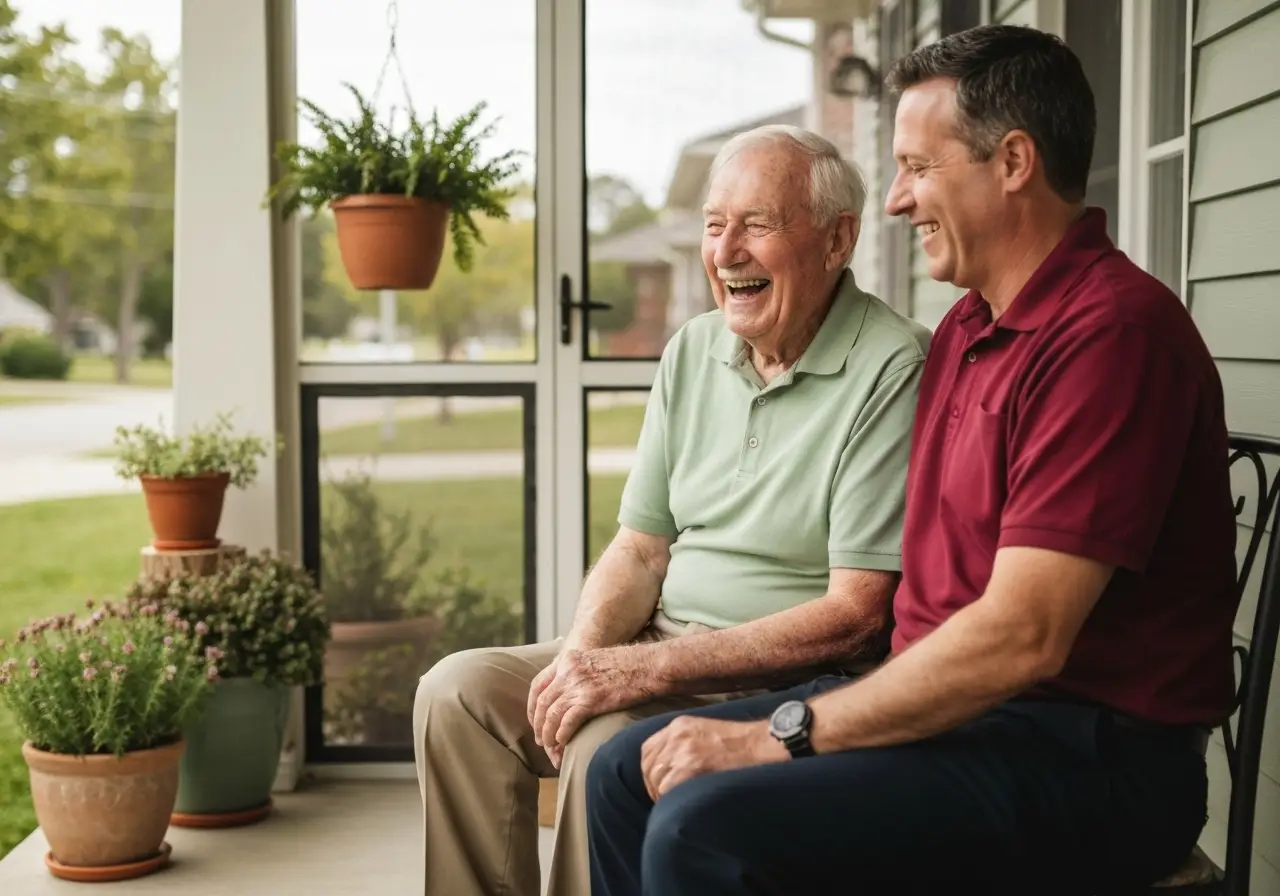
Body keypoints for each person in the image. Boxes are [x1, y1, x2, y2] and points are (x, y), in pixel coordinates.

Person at [585, 24, 1240, 896]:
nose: (896, 201)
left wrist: (777, 733)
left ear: (1012, 162)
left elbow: (1022, 637)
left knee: (703, 830)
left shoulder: (1110, 336)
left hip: (1087, 756)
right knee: (623, 774)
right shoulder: (971, 328)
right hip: (958, 717)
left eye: (919, 168)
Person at [411, 125, 932, 896]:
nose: (727, 252)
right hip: (655, 647)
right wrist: (580, 663)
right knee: (454, 694)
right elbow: (640, 549)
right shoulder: (693, 349)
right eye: (715, 226)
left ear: (836, 240)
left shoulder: (893, 364)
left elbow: (855, 615)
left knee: (598, 746)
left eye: (757, 224)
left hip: (777, 678)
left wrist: (631, 674)